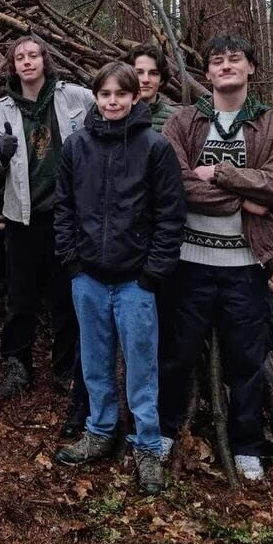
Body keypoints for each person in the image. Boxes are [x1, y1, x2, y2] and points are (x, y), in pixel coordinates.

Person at [159, 34, 273, 482]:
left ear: (250, 69)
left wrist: (221, 173)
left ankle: (247, 445)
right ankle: (164, 431)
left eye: (234, 60)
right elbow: (176, 181)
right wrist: (243, 197)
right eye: (217, 61)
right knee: (176, 354)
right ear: (206, 74)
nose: (225, 66)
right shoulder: (183, 121)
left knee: (247, 359)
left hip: (247, 266)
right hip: (188, 262)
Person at [52, 62, 186, 495]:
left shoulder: (155, 148)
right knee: (94, 360)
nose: (112, 102)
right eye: (104, 94)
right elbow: (64, 209)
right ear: (95, 97)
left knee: (142, 367)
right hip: (87, 277)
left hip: (135, 282)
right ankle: (99, 430)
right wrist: (72, 262)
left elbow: (170, 216)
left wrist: (152, 274)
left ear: (135, 98)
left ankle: (147, 446)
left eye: (120, 94)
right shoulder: (76, 146)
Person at [0, 34, 93, 438]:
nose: (27, 62)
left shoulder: (73, 97)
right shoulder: (4, 108)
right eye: (20, 57)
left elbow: (109, 109)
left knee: (67, 293)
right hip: (22, 216)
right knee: (21, 294)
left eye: (33, 55)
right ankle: (18, 364)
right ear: (12, 66)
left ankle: (65, 367)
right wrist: (3, 150)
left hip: (67, 214)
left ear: (45, 60)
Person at [130, 42, 175, 131]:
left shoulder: (176, 120)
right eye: (139, 72)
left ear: (161, 80)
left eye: (153, 73)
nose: (145, 80)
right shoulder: (114, 115)